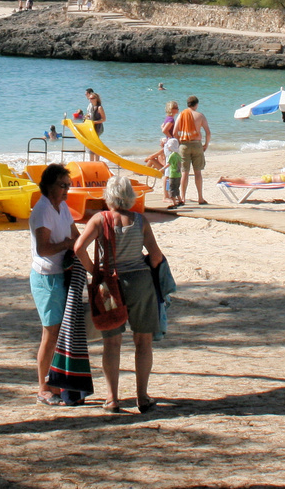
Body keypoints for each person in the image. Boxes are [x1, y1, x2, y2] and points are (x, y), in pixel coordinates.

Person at [74, 174, 162, 413]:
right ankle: (142, 397)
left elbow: (79, 248)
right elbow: (156, 255)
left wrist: (94, 270)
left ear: (108, 196)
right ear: (130, 196)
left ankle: (112, 398)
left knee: (111, 343)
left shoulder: (99, 220)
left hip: (109, 286)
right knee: (143, 342)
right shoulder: (140, 220)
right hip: (140, 282)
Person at [30, 163, 78, 405]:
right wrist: (67, 245)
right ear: (49, 185)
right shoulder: (43, 210)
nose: (66, 190)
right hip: (46, 276)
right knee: (50, 332)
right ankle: (43, 387)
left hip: (63, 273)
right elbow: (44, 248)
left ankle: (57, 383)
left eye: (68, 186)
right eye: (62, 185)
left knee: (62, 333)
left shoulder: (62, 207)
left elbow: (75, 235)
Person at [172, 95, 211, 205]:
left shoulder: (181, 115)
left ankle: (183, 198)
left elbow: (175, 133)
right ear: (196, 104)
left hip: (184, 145)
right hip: (197, 144)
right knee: (198, 172)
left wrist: (180, 143)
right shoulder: (200, 115)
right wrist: (206, 145)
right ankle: (200, 198)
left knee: (185, 172)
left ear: (187, 104)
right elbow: (208, 132)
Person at [163, 138, 183, 206]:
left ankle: (174, 203)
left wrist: (161, 169)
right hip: (179, 175)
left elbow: (168, 164)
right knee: (177, 188)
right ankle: (180, 200)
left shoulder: (171, 155)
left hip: (173, 175)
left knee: (171, 189)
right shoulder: (178, 155)